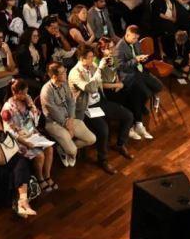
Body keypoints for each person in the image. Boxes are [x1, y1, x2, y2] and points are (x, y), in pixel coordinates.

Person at [68, 45, 135, 174]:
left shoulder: (92, 65)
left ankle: (120, 144)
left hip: (99, 102)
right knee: (104, 130)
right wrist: (99, 69)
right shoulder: (74, 73)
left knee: (128, 115)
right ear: (82, 58)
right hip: (86, 108)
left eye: (93, 56)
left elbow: (107, 79)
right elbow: (91, 88)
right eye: (90, 57)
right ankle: (102, 160)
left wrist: (109, 66)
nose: (93, 59)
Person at [1, 79, 56, 192]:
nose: (25, 95)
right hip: (19, 139)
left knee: (49, 149)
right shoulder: (7, 108)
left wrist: (31, 106)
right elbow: (9, 131)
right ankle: (40, 178)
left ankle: (47, 176)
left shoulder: (27, 99)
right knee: (40, 155)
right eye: (23, 93)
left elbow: (35, 121)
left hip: (31, 133)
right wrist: (25, 142)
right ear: (15, 92)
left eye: (26, 92)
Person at [40, 61, 96, 167]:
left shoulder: (64, 84)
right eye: (62, 73)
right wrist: (68, 126)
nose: (66, 74)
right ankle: (69, 151)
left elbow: (71, 103)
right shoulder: (46, 90)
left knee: (91, 139)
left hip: (68, 118)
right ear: (54, 76)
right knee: (73, 151)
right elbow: (54, 113)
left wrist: (70, 119)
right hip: (54, 123)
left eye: (65, 71)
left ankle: (62, 148)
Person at [112, 25, 159, 139]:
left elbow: (139, 53)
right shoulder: (119, 48)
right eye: (134, 38)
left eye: (137, 38)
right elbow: (120, 67)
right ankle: (138, 121)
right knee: (145, 93)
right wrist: (135, 60)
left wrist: (142, 58)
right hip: (128, 75)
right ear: (127, 34)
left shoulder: (136, 42)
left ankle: (140, 108)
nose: (136, 40)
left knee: (158, 86)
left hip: (139, 71)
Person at [15, 28, 46, 96]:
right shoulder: (23, 49)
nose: (37, 37)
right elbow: (26, 69)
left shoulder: (37, 46)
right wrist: (38, 76)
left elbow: (42, 62)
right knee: (42, 87)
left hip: (37, 72)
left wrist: (42, 73)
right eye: (34, 36)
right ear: (28, 36)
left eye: (37, 35)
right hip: (26, 76)